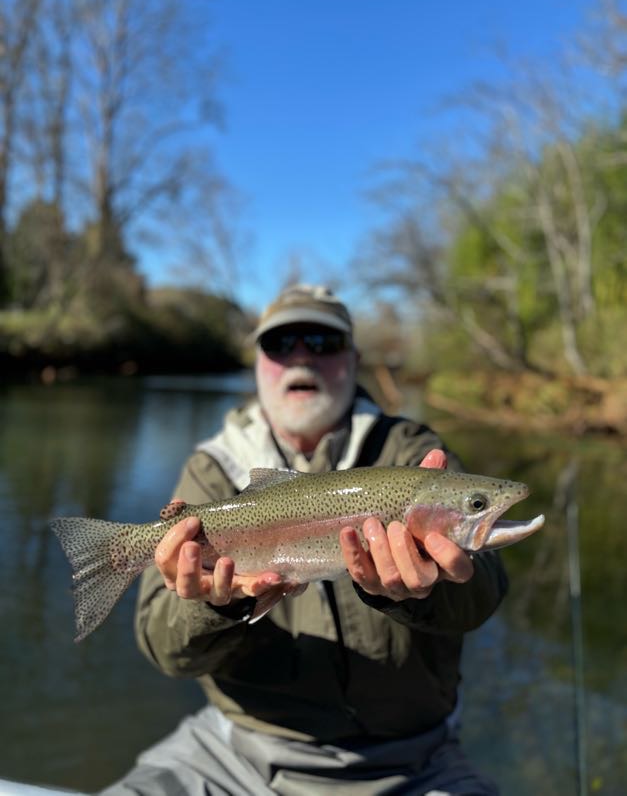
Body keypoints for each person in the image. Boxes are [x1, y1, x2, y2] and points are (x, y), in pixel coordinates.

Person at [102, 284, 507, 796]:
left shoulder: (414, 453)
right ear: (257, 361)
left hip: (413, 762)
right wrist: (211, 606)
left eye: (322, 342)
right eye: (281, 344)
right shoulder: (211, 469)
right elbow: (166, 651)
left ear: (354, 358)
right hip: (235, 754)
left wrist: (426, 587)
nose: (301, 358)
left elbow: (485, 593)